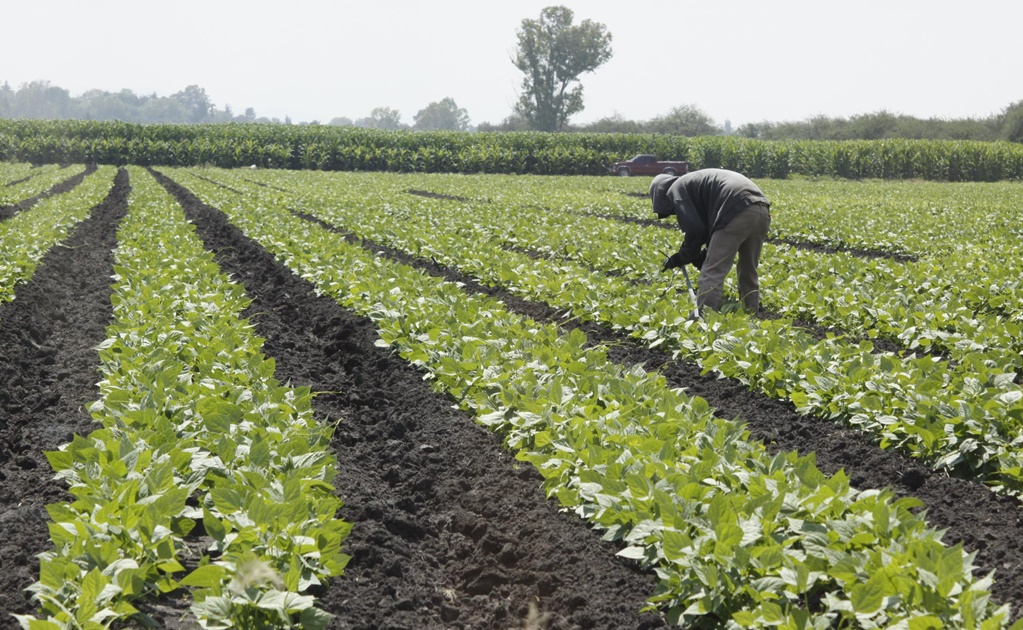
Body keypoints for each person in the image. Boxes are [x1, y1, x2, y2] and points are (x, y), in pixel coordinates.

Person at [650, 168, 771, 314]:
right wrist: (699, 253)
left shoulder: (677, 189)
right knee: (748, 268)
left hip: (736, 209)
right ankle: (751, 312)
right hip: (761, 209)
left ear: (660, 195)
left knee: (712, 271)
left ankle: (705, 317)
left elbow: (696, 230)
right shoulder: (694, 182)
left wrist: (684, 255)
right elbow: (709, 229)